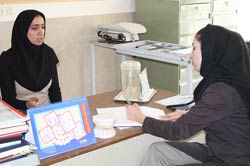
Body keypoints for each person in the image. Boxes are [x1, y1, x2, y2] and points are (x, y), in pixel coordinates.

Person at [126, 24, 250, 165]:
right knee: (158, 151)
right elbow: (223, 113)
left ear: (211, 50)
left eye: (194, 48)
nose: (190, 55)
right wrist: (189, 114)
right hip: (217, 151)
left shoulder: (223, 91)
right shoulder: (229, 81)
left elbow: (178, 131)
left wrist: (140, 118)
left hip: (231, 161)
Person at [0, 9, 62, 114]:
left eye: (43, 27)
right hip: (19, 115)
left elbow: (55, 92)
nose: (41, 32)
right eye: (34, 28)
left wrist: (60, 113)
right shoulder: (7, 59)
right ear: (22, 30)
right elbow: (8, 100)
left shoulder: (48, 53)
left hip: (47, 114)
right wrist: (26, 105)